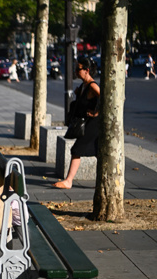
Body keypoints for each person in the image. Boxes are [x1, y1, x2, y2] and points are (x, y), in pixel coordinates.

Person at [53, 57, 100, 189]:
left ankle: (69, 181)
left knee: (77, 149)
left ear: (87, 70)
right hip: (89, 123)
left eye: (78, 69)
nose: (75, 71)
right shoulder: (84, 86)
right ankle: (102, 181)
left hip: (94, 124)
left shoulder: (92, 86)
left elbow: (105, 98)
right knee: (98, 152)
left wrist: (96, 112)